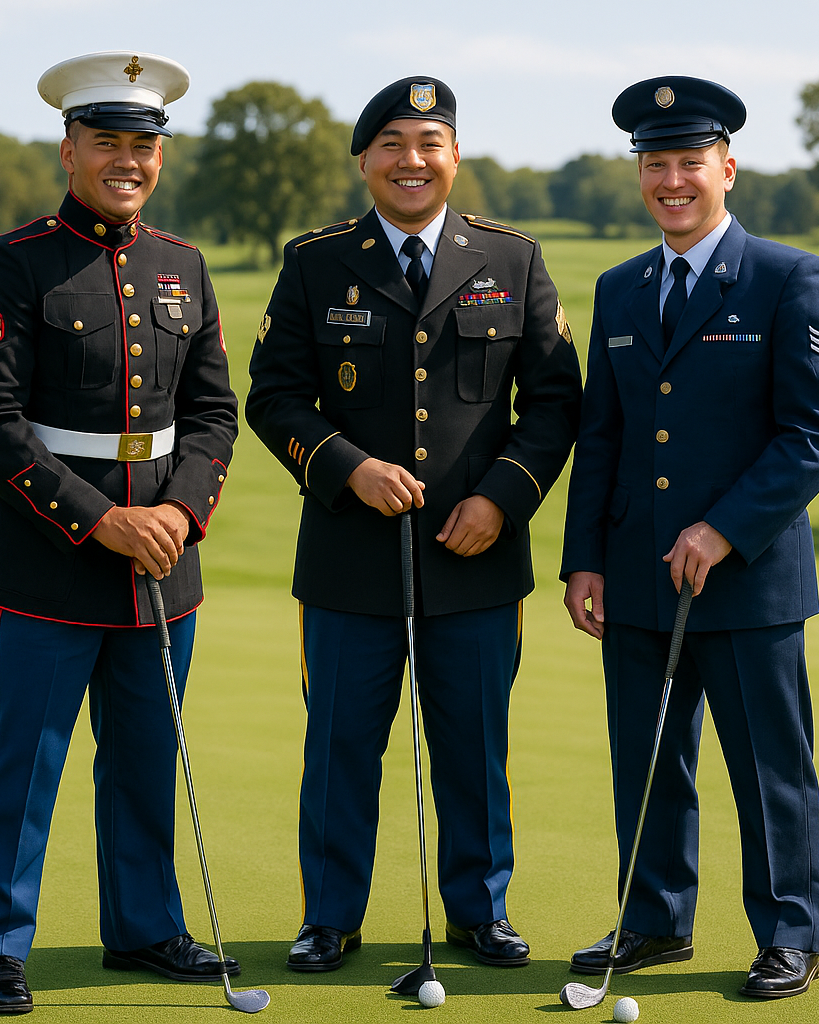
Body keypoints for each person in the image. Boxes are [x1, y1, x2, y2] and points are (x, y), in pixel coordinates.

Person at [246, 76, 581, 974]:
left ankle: (480, 911)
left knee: (474, 749)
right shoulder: (315, 260)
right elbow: (272, 397)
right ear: (364, 161)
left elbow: (552, 404)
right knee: (339, 750)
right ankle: (330, 918)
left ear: (454, 156)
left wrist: (501, 498)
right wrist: (345, 465)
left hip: (475, 560)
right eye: (391, 144)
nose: (411, 161)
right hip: (349, 562)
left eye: (428, 143)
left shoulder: (511, 259)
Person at [561, 75, 819, 999]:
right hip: (635, 575)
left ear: (727, 169)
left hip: (748, 583)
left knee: (769, 773)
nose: (671, 180)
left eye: (688, 163)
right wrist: (583, 556)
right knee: (648, 762)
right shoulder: (620, 287)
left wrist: (723, 529)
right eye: (655, 164)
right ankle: (654, 921)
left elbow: (808, 436)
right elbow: (605, 434)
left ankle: (790, 931)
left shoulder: (789, 276)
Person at [0, 51, 239, 1014]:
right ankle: (4, 944)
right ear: (70, 149)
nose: (127, 161)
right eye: (107, 142)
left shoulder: (182, 265)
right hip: (46, 563)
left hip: (162, 567)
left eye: (143, 145)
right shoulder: (16, 262)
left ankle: (144, 931)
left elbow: (215, 414)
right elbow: (3, 419)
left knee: (146, 757)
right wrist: (102, 520)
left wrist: (178, 514)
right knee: (23, 770)